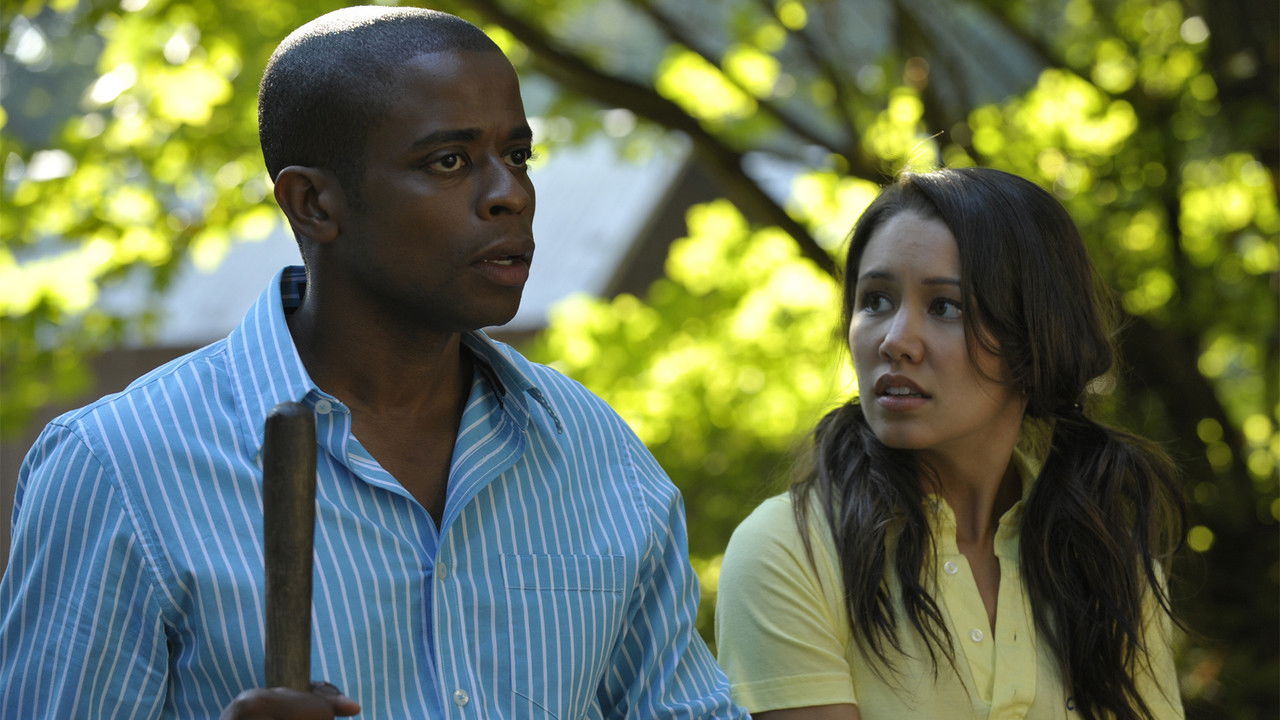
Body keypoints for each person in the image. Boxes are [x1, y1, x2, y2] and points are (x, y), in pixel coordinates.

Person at [0, 7, 745, 719]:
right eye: (450, 161)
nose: (510, 195)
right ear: (314, 204)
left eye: (518, 156)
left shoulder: (592, 450)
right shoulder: (122, 468)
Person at [715, 168, 1187, 720]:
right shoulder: (790, 551)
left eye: (945, 306)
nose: (895, 341)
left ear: (1035, 336)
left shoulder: (1106, 557)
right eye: (876, 300)